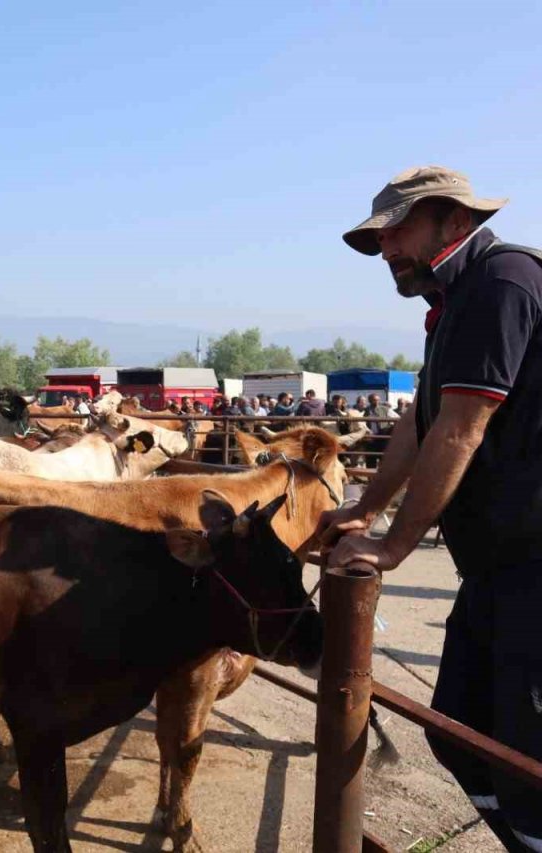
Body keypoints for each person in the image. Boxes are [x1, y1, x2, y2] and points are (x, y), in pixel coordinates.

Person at [321, 166, 542, 852]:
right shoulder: (454, 299)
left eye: (398, 230)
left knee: (523, 759)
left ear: (453, 220)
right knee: (456, 728)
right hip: (496, 563)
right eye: (379, 237)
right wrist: (365, 508)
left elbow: (462, 427)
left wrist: (391, 546)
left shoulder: (504, 280)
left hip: (535, 561)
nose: (386, 248)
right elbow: (423, 420)